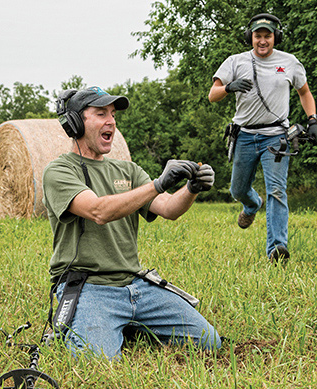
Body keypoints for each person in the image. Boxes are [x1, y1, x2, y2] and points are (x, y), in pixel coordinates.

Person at [42, 86, 221, 359]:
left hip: (136, 284)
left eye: (113, 114)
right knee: (95, 359)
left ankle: (124, 325)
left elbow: (169, 208)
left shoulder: (128, 170)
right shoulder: (59, 171)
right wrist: (158, 183)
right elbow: (98, 211)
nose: (111, 121)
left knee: (209, 342)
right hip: (89, 286)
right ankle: (85, 328)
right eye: (101, 113)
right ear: (75, 122)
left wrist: (192, 188)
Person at [208, 13, 317, 263]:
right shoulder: (235, 62)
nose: (262, 40)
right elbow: (212, 95)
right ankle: (251, 205)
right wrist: (229, 87)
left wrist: (312, 120)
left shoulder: (290, 62)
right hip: (245, 135)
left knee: (277, 190)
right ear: (250, 37)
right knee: (237, 190)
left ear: (275, 37)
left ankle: (277, 249)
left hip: (276, 136)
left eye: (267, 36)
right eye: (257, 35)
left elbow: (304, 92)